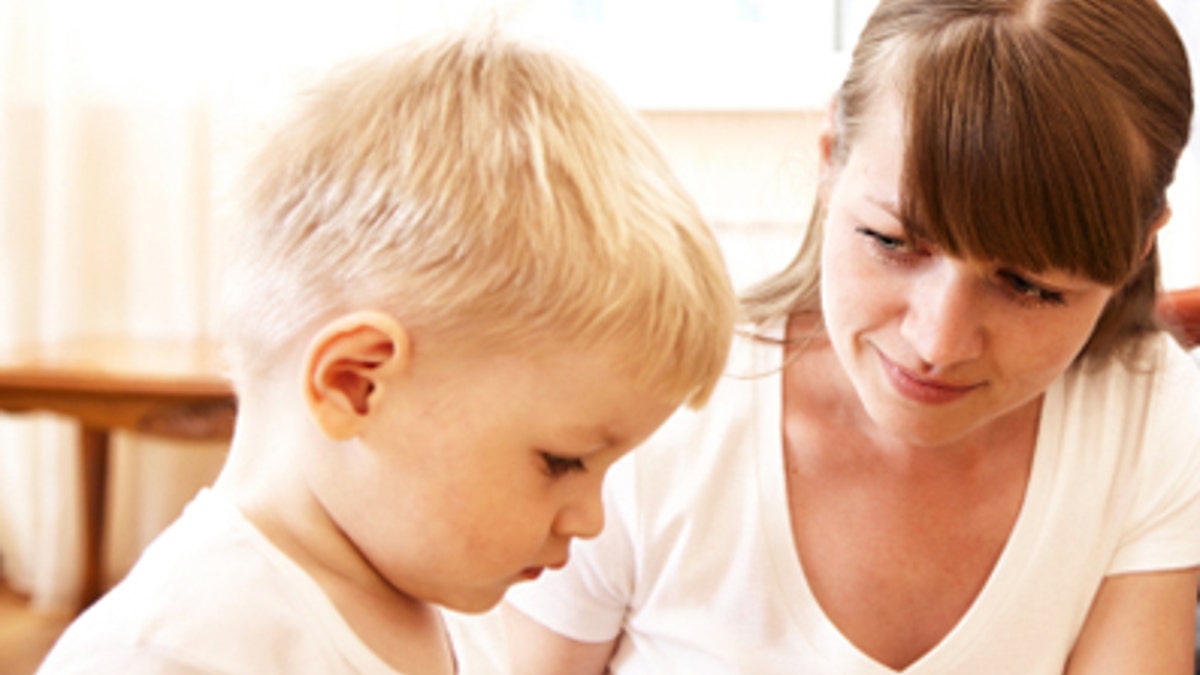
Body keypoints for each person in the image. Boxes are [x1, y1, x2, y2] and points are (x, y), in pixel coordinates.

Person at [502, 0, 1200, 672]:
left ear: (1139, 249)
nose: (939, 340)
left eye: (1030, 287)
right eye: (892, 241)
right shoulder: (653, 410)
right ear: (832, 156)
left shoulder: (1146, 419)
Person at [36, 28, 737, 674]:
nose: (590, 518)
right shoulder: (170, 652)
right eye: (563, 461)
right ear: (356, 383)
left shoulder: (451, 601)